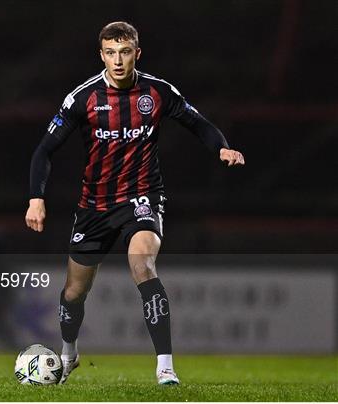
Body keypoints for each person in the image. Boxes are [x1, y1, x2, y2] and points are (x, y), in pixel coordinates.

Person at [25, 21, 245, 385]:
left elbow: (199, 123)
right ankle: (68, 353)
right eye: (110, 52)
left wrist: (220, 147)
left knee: (143, 265)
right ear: (101, 55)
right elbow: (44, 150)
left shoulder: (157, 92)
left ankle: (165, 367)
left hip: (142, 196)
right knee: (74, 292)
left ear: (136, 54)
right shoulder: (83, 98)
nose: (118, 60)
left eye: (125, 52)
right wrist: (36, 198)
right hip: (94, 205)